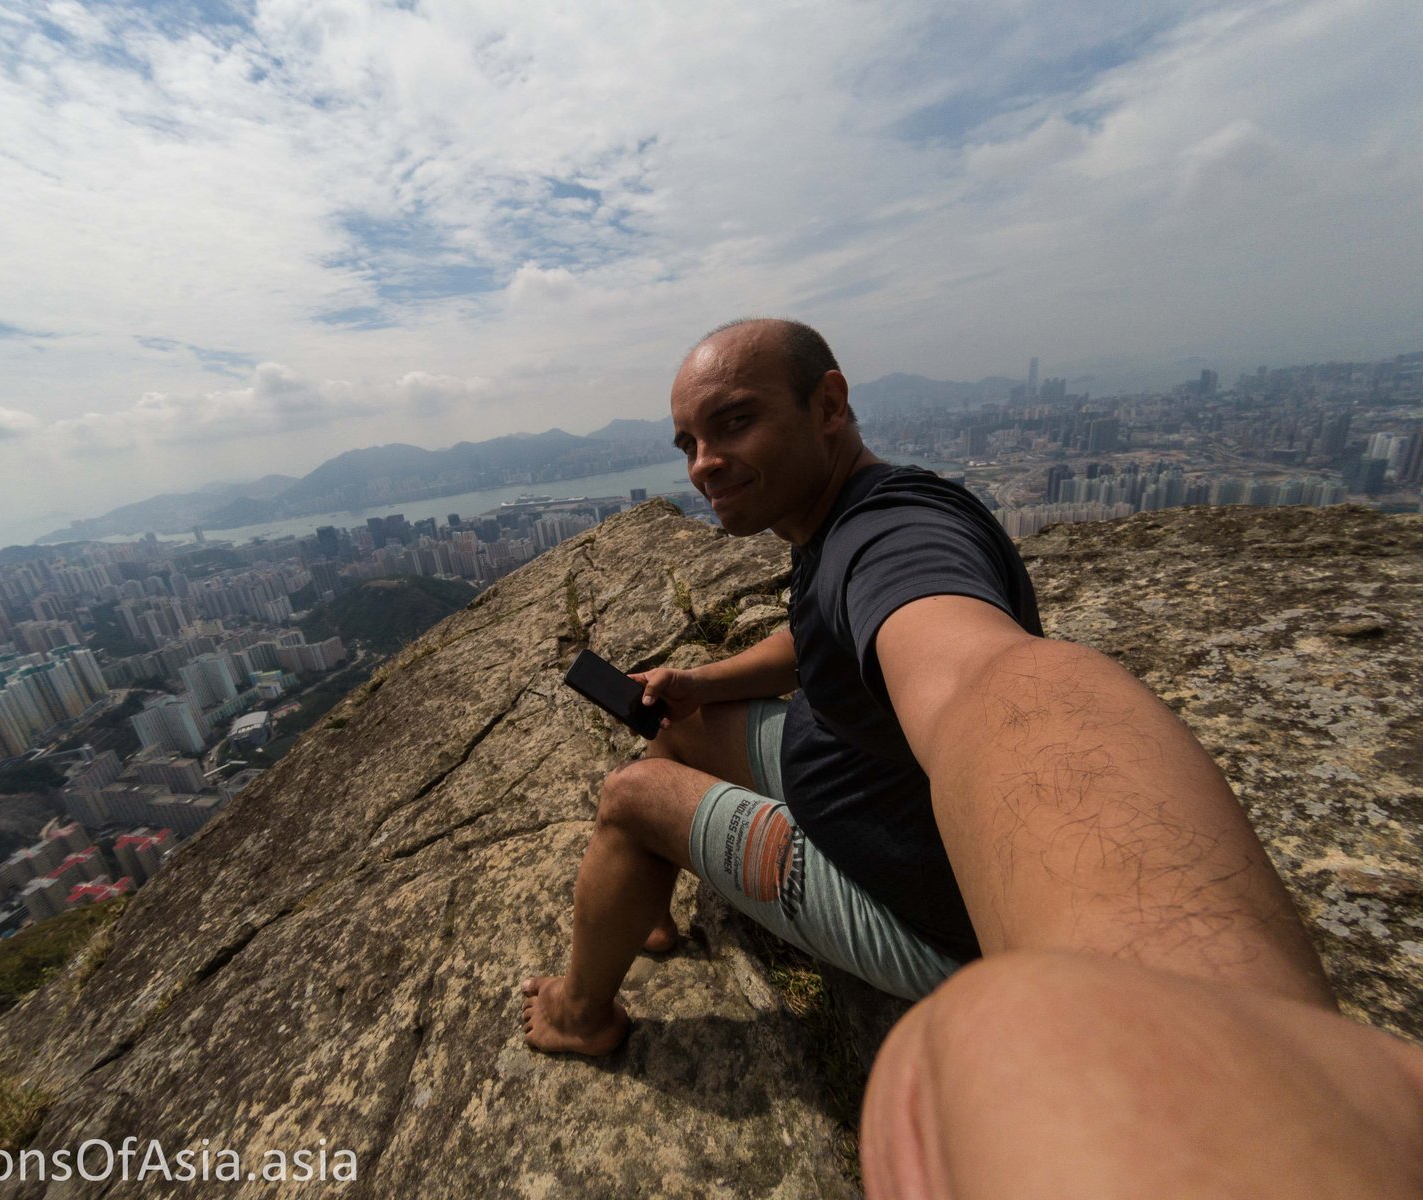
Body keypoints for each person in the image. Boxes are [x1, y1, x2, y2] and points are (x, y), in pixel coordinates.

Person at [522, 318, 1423, 1195]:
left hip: (936, 916)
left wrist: (1205, 1034)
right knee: (675, 731)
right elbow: (817, 639)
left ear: (828, 404)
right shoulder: (839, 515)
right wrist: (706, 681)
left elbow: (979, 680)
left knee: (633, 796)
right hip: (852, 774)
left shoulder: (893, 540)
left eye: (733, 422)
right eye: (686, 442)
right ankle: (647, 906)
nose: (703, 464)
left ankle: (579, 1013)